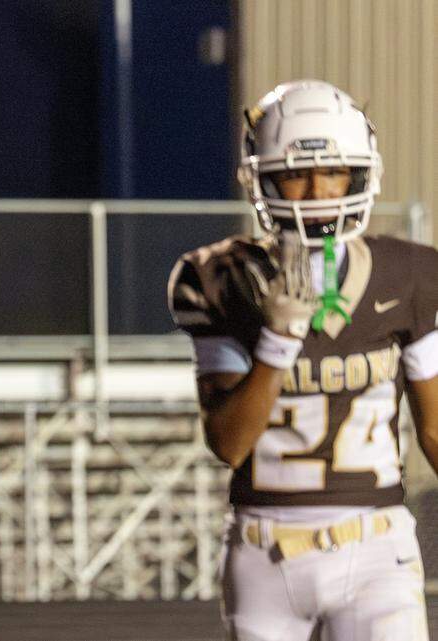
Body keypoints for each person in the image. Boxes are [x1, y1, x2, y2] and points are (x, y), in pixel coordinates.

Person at [168, 79, 438, 641]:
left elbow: (434, 428)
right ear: (261, 178)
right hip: (263, 549)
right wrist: (276, 343)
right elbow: (230, 444)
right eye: (294, 173)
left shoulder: (411, 275)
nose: (316, 191)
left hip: (377, 547)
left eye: (333, 171)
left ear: (360, 173)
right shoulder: (216, 277)